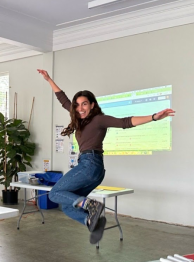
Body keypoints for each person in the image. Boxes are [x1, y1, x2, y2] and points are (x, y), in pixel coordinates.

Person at [37, 69, 176, 245]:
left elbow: (125, 122)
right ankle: (90, 221)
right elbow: (63, 99)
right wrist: (49, 79)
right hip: (95, 169)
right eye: (78, 105)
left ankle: (90, 206)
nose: (80, 108)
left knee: (55, 193)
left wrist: (154, 117)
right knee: (66, 204)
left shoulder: (99, 120)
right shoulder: (79, 120)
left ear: (92, 105)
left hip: (89, 165)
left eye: (84, 104)